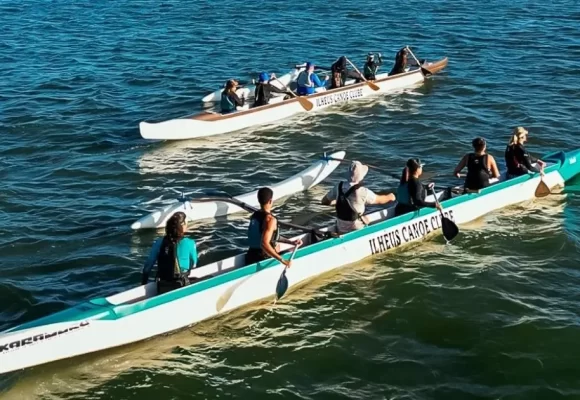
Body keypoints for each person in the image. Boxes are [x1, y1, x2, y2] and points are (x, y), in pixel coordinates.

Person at [321, 161, 396, 234]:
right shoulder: (362, 191)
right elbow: (380, 200)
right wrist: (390, 197)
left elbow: (324, 201)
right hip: (356, 229)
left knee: (363, 217)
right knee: (364, 219)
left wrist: (339, 201)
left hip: (341, 228)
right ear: (361, 176)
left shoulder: (338, 187)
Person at [141, 212, 198, 294]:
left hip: (162, 286)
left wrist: (143, 284)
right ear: (183, 225)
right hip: (182, 286)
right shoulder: (190, 243)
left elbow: (147, 268)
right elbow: (194, 264)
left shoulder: (159, 243)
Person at [246, 187, 302, 266]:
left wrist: (291, 242)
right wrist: (282, 260)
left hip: (250, 256)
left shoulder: (254, 216)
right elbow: (264, 244)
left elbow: (271, 236)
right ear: (270, 201)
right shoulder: (270, 220)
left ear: (259, 200)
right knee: (290, 253)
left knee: (281, 248)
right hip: (263, 260)